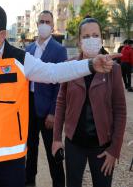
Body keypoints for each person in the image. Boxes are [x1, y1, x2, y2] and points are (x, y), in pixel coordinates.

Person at [0, 5, 119, 187]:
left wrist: (90, 65)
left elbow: (54, 72)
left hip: (11, 162)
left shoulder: (20, 60)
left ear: (2, 35)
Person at [52, 18, 127, 187]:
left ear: (101, 39)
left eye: (95, 35)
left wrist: (114, 150)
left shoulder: (113, 70)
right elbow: (61, 102)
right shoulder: (70, 67)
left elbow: (120, 110)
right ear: (79, 41)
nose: (91, 40)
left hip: (102, 147)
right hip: (74, 144)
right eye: (86, 36)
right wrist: (57, 138)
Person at [25, 10, 66, 187]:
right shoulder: (29, 49)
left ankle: (58, 183)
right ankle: (29, 182)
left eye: (47, 22)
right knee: (30, 149)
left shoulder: (59, 50)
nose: (44, 24)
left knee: (53, 151)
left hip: (48, 110)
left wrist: (53, 112)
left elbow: (60, 85)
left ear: (52, 26)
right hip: (29, 106)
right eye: (41, 21)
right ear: (36, 24)